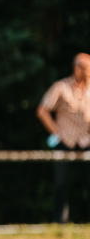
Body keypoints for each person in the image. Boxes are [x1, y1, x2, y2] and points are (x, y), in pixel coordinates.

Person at [36, 53, 90, 223]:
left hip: (86, 142)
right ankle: (60, 222)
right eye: (88, 69)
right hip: (64, 142)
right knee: (61, 183)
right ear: (77, 69)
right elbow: (42, 110)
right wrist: (56, 132)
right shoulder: (61, 87)